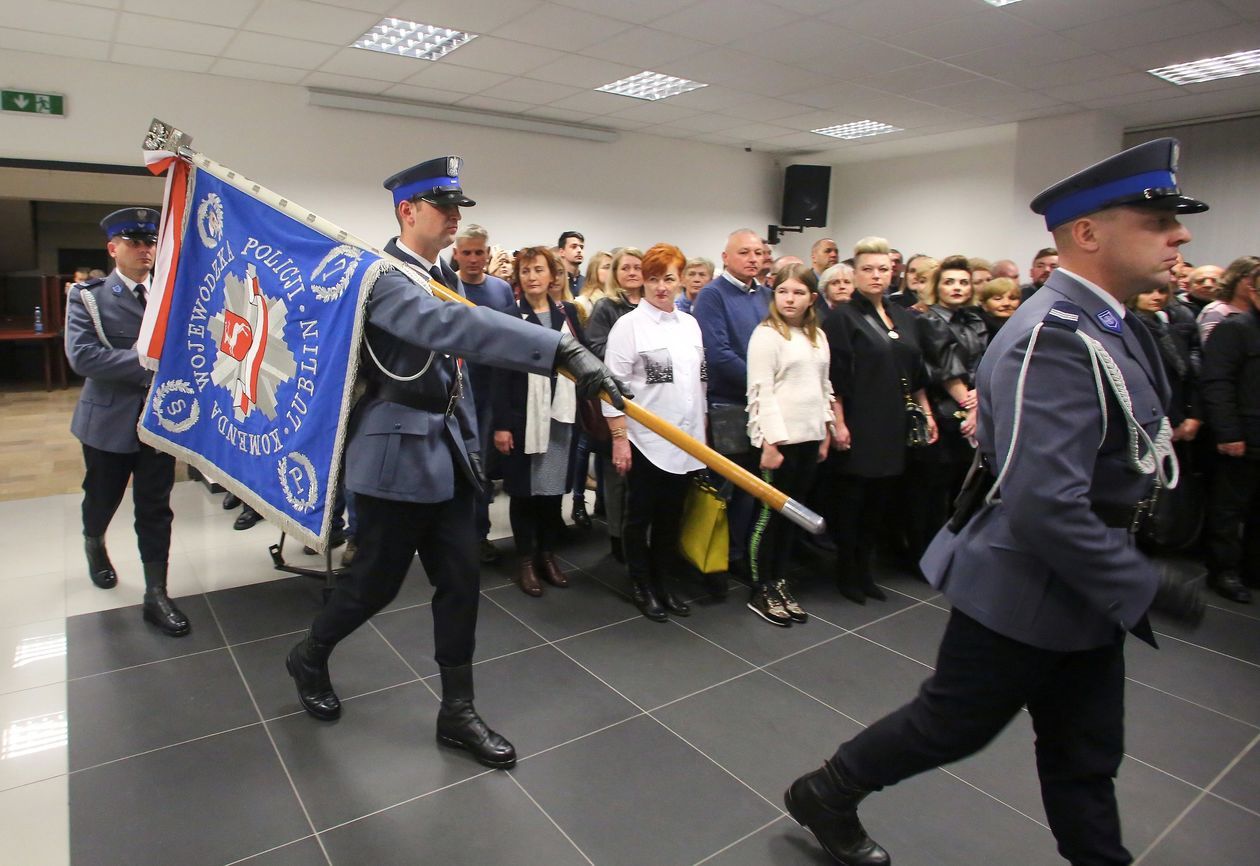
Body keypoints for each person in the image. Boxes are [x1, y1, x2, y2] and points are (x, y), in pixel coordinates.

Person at [787, 137, 1208, 866]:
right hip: (1032, 580)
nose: (1181, 235)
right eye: (1158, 220)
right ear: (1087, 232)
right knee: (951, 724)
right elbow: (1046, 504)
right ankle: (826, 791)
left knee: (1086, 747)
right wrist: (1142, 582)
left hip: (1087, 576)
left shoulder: (1114, 322)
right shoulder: (1053, 335)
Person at [284, 157, 628, 771]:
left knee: (461, 582)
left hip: (449, 455)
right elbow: (449, 328)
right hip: (394, 455)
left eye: (457, 209)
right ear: (407, 211)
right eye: (442, 208)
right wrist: (560, 348)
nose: (453, 219)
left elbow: (457, 380)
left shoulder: (441, 275)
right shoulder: (384, 277)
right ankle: (310, 653)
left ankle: (457, 711)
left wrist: (474, 445)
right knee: (374, 586)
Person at [65, 207, 189, 638]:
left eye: (151, 242)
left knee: (155, 507)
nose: (145, 250)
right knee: (102, 497)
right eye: (135, 242)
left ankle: (156, 591)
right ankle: (94, 541)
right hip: (108, 421)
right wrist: (151, 364)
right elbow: (83, 357)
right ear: (113, 248)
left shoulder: (170, 294)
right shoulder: (88, 297)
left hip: (158, 421)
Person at [820, 237, 936, 605]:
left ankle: (866, 571)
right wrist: (839, 422)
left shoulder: (903, 315)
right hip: (859, 418)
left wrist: (927, 413)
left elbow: (915, 373)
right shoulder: (841, 317)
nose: (876, 276)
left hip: (894, 419)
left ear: (892, 272)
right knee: (853, 501)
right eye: (867, 269)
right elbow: (835, 378)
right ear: (854, 274)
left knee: (880, 501)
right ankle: (847, 573)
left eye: (883, 269)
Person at [603, 243, 706, 620]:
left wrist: (702, 434)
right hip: (644, 441)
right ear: (641, 283)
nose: (661, 287)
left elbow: (699, 384)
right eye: (652, 279)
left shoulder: (690, 324)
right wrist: (619, 439)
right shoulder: (628, 326)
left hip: (686, 441)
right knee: (639, 517)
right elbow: (609, 387)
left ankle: (664, 581)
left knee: (671, 517)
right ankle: (641, 583)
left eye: (668, 278)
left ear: (680, 280)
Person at [746, 264, 837, 626]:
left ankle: (779, 580)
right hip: (778, 444)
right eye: (784, 291)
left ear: (812, 298)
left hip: (809, 439)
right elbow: (760, 391)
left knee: (792, 519)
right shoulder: (766, 335)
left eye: (799, 292)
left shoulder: (817, 336)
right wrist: (769, 441)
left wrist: (826, 430)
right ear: (775, 294)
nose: (790, 298)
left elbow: (823, 387)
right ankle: (759, 587)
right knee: (769, 517)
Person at [492, 247, 581, 597]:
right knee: (525, 494)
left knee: (552, 492)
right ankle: (526, 561)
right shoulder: (510, 316)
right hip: (523, 419)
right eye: (526, 271)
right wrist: (501, 424)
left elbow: (581, 359)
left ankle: (548, 555)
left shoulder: (568, 313)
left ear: (551, 275)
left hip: (561, 417)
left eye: (538, 270)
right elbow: (500, 372)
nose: (532, 277)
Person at [692, 229, 772, 580]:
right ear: (725, 257)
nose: (752, 259)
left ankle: (748, 550)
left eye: (758, 252)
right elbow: (719, 354)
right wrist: (762, 387)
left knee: (757, 484)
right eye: (744, 252)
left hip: (763, 405)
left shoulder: (768, 295)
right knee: (731, 487)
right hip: (730, 405)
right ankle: (725, 555)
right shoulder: (712, 295)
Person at [913, 255, 989, 552]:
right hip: (941, 410)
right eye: (949, 282)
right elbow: (946, 369)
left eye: (963, 282)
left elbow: (985, 362)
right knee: (933, 489)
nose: (957, 288)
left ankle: (953, 550)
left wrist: (979, 401)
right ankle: (925, 553)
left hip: (973, 408)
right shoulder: (928, 318)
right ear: (937, 286)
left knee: (962, 484)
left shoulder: (973, 319)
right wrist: (970, 406)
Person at [453, 223, 517, 564]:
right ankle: (458, 535)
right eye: (468, 252)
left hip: (490, 392)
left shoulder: (501, 290)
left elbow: (507, 342)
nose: (474, 258)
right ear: (456, 254)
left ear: (488, 254)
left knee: (483, 468)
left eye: (480, 252)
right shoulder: (447, 287)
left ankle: (480, 534)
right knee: (459, 468)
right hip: (456, 391)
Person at [1200, 268, 1260, 603]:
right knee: (1228, 510)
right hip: (1241, 437)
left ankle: (1254, 568)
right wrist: (1228, 432)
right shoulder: (1235, 329)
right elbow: (1217, 383)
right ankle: (1223, 571)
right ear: (1253, 292)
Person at [585, 247, 645, 561]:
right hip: (617, 399)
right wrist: (631, 351)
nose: (633, 273)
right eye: (626, 268)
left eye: (638, 267)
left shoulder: (653, 306)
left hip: (650, 403)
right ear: (616, 273)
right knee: (617, 475)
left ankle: (640, 537)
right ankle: (618, 538)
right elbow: (594, 347)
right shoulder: (607, 307)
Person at [1197, 256, 1260, 344]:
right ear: (1235, 278)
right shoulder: (1217, 311)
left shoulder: (1256, 311)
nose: (1256, 284)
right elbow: (1211, 347)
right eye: (1253, 278)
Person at [573, 250, 612, 325]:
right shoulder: (582, 303)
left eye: (614, 268)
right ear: (594, 271)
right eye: (606, 267)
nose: (611, 271)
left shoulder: (619, 299)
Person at [557, 230, 585, 297]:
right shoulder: (556, 282)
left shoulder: (587, 282)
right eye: (574, 247)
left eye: (581, 247)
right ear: (562, 252)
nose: (579, 250)